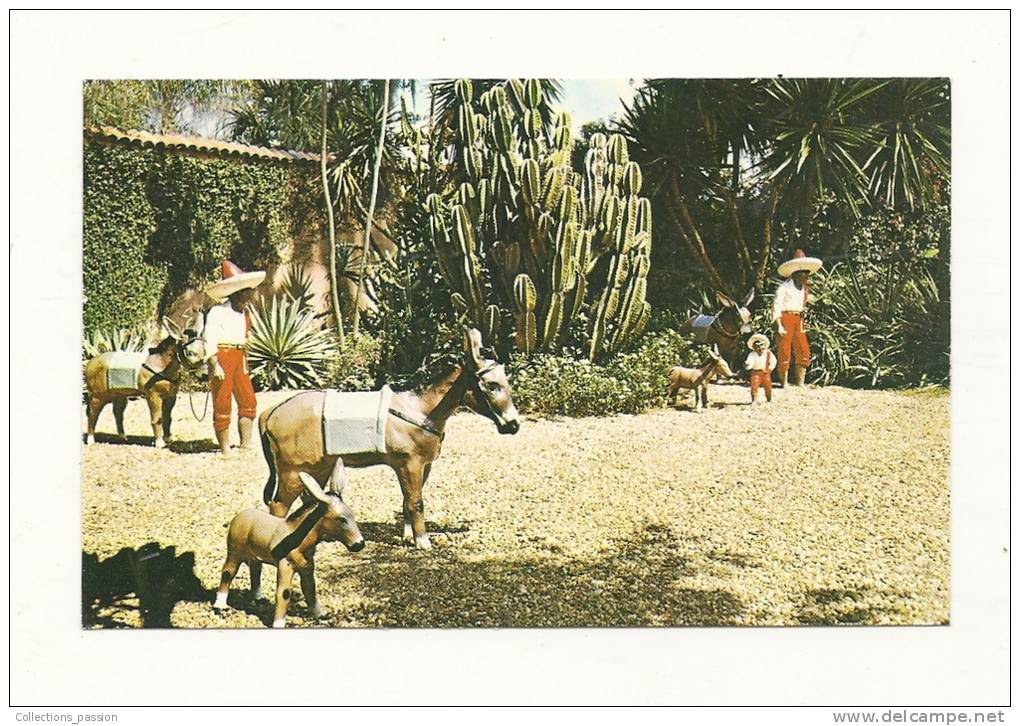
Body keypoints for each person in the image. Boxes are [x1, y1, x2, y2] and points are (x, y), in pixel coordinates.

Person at [202, 260, 266, 455]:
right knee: (222, 400)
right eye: (246, 293)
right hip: (223, 355)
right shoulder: (218, 312)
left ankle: (245, 444)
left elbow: (246, 336)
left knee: (248, 399)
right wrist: (215, 364)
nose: (249, 296)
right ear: (237, 293)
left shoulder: (245, 314)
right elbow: (209, 338)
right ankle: (225, 449)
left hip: (240, 356)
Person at [772, 249, 823, 387]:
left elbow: (803, 304)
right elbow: (776, 306)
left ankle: (800, 383)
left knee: (803, 348)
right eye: (803, 274)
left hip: (798, 319)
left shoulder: (804, 289)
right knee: (784, 349)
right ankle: (784, 383)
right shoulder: (784, 288)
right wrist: (779, 325)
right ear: (795, 274)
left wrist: (804, 311)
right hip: (785, 318)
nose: (806, 277)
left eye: (807, 274)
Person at [744, 333, 776, 404]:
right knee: (754, 386)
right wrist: (748, 365)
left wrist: (770, 368)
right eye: (757, 346)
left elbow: (773, 361)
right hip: (755, 373)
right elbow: (750, 362)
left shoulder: (768, 353)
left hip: (765, 372)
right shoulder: (752, 355)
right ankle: (754, 400)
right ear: (753, 347)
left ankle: (769, 399)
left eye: (762, 345)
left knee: (768, 387)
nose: (760, 348)